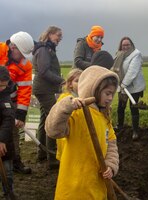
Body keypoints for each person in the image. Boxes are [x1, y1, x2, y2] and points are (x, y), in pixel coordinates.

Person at [45, 66, 119, 199]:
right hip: (75, 189)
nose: (110, 98)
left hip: (97, 187)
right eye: (107, 93)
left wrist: (111, 166)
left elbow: (112, 146)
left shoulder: (105, 118)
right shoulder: (77, 114)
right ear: (94, 91)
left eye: (112, 94)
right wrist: (66, 106)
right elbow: (52, 130)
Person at [0, 31, 34, 174]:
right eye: (21, 54)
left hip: (10, 100)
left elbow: (25, 90)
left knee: (12, 131)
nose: (23, 58)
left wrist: (20, 115)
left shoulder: (25, 64)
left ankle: (15, 161)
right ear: (13, 47)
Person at [32, 26, 64, 169]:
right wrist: (61, 80)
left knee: (44, 119)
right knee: (53, 119)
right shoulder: (44, 49)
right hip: (44, 89)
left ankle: (42, 153)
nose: (60, 39)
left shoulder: (45, 48)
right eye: (58, 36)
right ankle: (52, 158)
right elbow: (44, 71)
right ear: (50, 34)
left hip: (44, 89)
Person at [112, 37, 146, 140]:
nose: (126, 47)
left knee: (133, 108)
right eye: (124, 45)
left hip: (134, 87)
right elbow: (114, 68)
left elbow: (132, 72)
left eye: (128, 45)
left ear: (131, 45)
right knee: (120, 107)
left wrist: (124, 84)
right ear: (121, 46)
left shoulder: (136, 54)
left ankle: (135, 131)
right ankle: (120, 126)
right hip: (122, 86)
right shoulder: (119, 54)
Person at [55, 68, 82, 161]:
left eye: (82, 80)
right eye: (77, 81)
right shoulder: (65, 98)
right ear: (70, 84)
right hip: (66, 138)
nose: (80, 83)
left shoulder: (84, 98)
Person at [0, 66, 15, 197]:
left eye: (4, 86)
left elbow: (8, 119)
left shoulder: (5, 97)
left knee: (7, 172)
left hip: (5, 144)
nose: (2, 89)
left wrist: (1, 140)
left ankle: (9, 193)